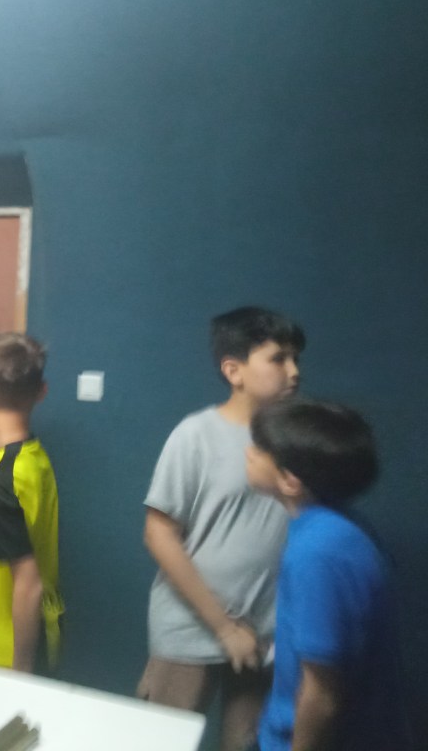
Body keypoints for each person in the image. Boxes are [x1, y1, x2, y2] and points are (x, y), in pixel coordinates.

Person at [136, 306, 305, 751]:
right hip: (191, 631)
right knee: (164, 742)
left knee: (247, 744)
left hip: (262, 637)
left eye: (296, 358)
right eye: (279, 358)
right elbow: (158, 534)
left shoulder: (295, 442)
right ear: (234, 371)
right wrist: (224, 628)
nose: (294, 371)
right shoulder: (196, 435)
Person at [246, 399, 411, 751]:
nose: (248, 453)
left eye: (260, 449)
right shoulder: (337, 527)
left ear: (290, 480)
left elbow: (322, 696)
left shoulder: (318, 553)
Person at [0, 333, 63, 673]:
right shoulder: (35, 457)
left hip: (7, 652)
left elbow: (27, 583)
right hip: (44, 632)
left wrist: (19, 672)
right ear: (42, 392)